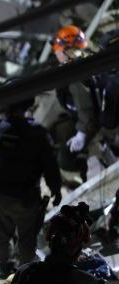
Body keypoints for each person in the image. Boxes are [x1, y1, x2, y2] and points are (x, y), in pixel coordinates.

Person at [0, 93, 62, 279]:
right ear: (27, 105)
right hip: (27, 197)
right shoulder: (38, 132)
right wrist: (56, 189)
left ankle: (4, 271)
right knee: (27, 237)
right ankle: (24, 276)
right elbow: (50, 165)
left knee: (2, 234)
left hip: (1, 196)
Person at [53, 25, 107, 182]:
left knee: (66, 159)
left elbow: (86, 107)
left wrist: (82, 134)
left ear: (65, 48)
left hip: (97, 126)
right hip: (97, 120)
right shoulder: (89, 60)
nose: (56, 53)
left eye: (57, 49)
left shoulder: (75, 70)